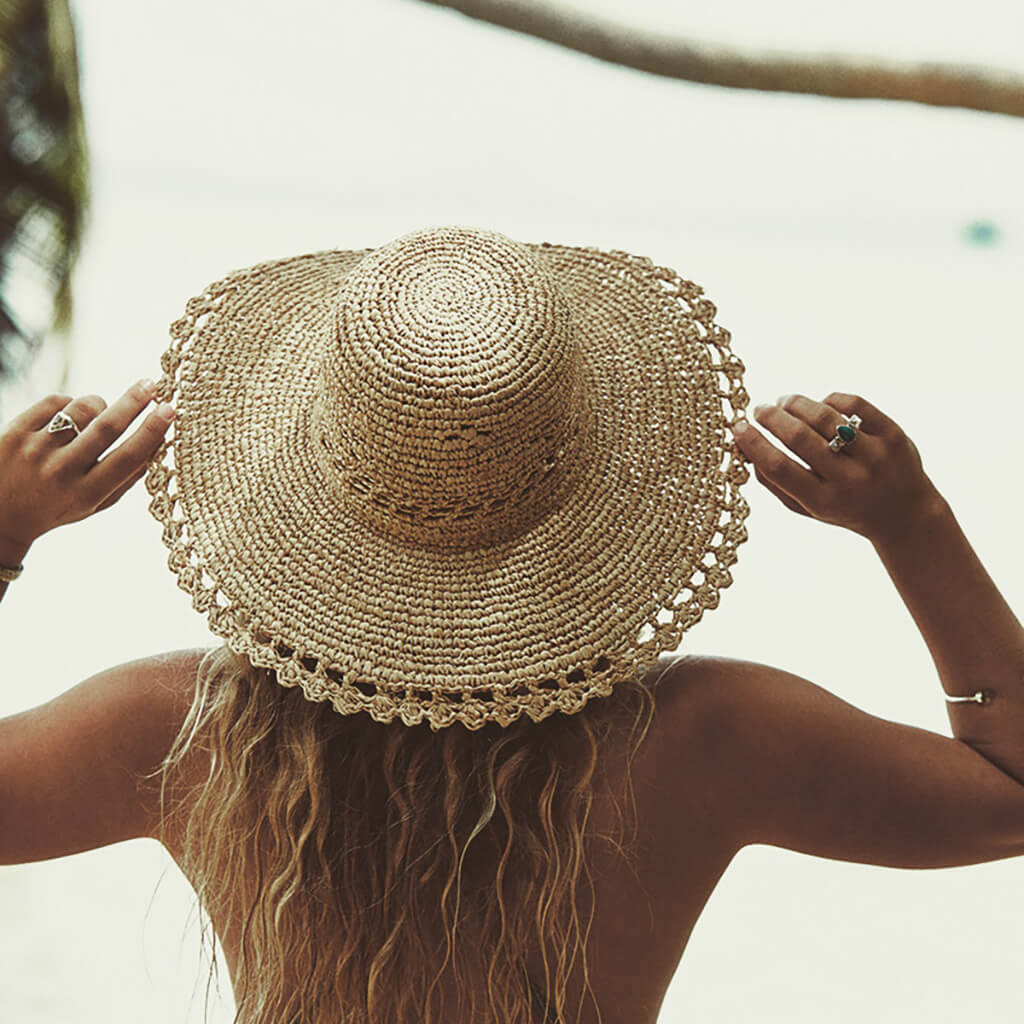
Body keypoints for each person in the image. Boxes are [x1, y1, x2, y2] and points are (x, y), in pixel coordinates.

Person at [0, 224, 1022, 1024]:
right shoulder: (704, 736)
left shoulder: (193, 732)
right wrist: (911, 524)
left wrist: (5, 531)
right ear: (600, 471)